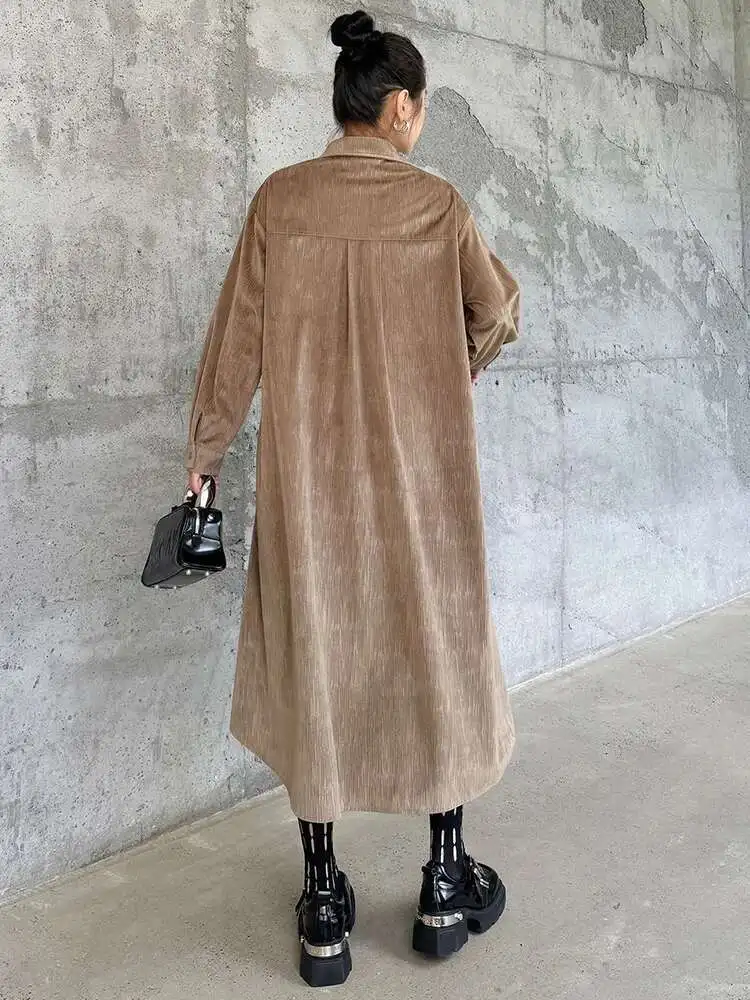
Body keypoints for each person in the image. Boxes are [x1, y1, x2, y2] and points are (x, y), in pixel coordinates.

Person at [184, 9, 520, 988]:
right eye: (422, 105)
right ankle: (445, 881)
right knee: (437, 652)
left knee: (316, 663)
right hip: (426, 489)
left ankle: (324, 900)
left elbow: (234, 344)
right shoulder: (439, 207)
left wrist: (204, 453)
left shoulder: (280, 202)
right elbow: (497, 310)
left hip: (312, 494)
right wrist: (453, 365)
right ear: (400, 105)